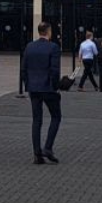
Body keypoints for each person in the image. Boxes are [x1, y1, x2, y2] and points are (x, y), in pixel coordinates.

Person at [20, 23, 63, 164]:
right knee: (56, 116)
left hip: (34, 88)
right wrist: (56, 87)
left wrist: (28, 84)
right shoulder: (53, 47)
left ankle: (37, 153)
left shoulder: (29, 47)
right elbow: (54, 70)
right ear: (49, 32)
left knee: (36, 120)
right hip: (48, 87)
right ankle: (48, 147)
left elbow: (23, 68)